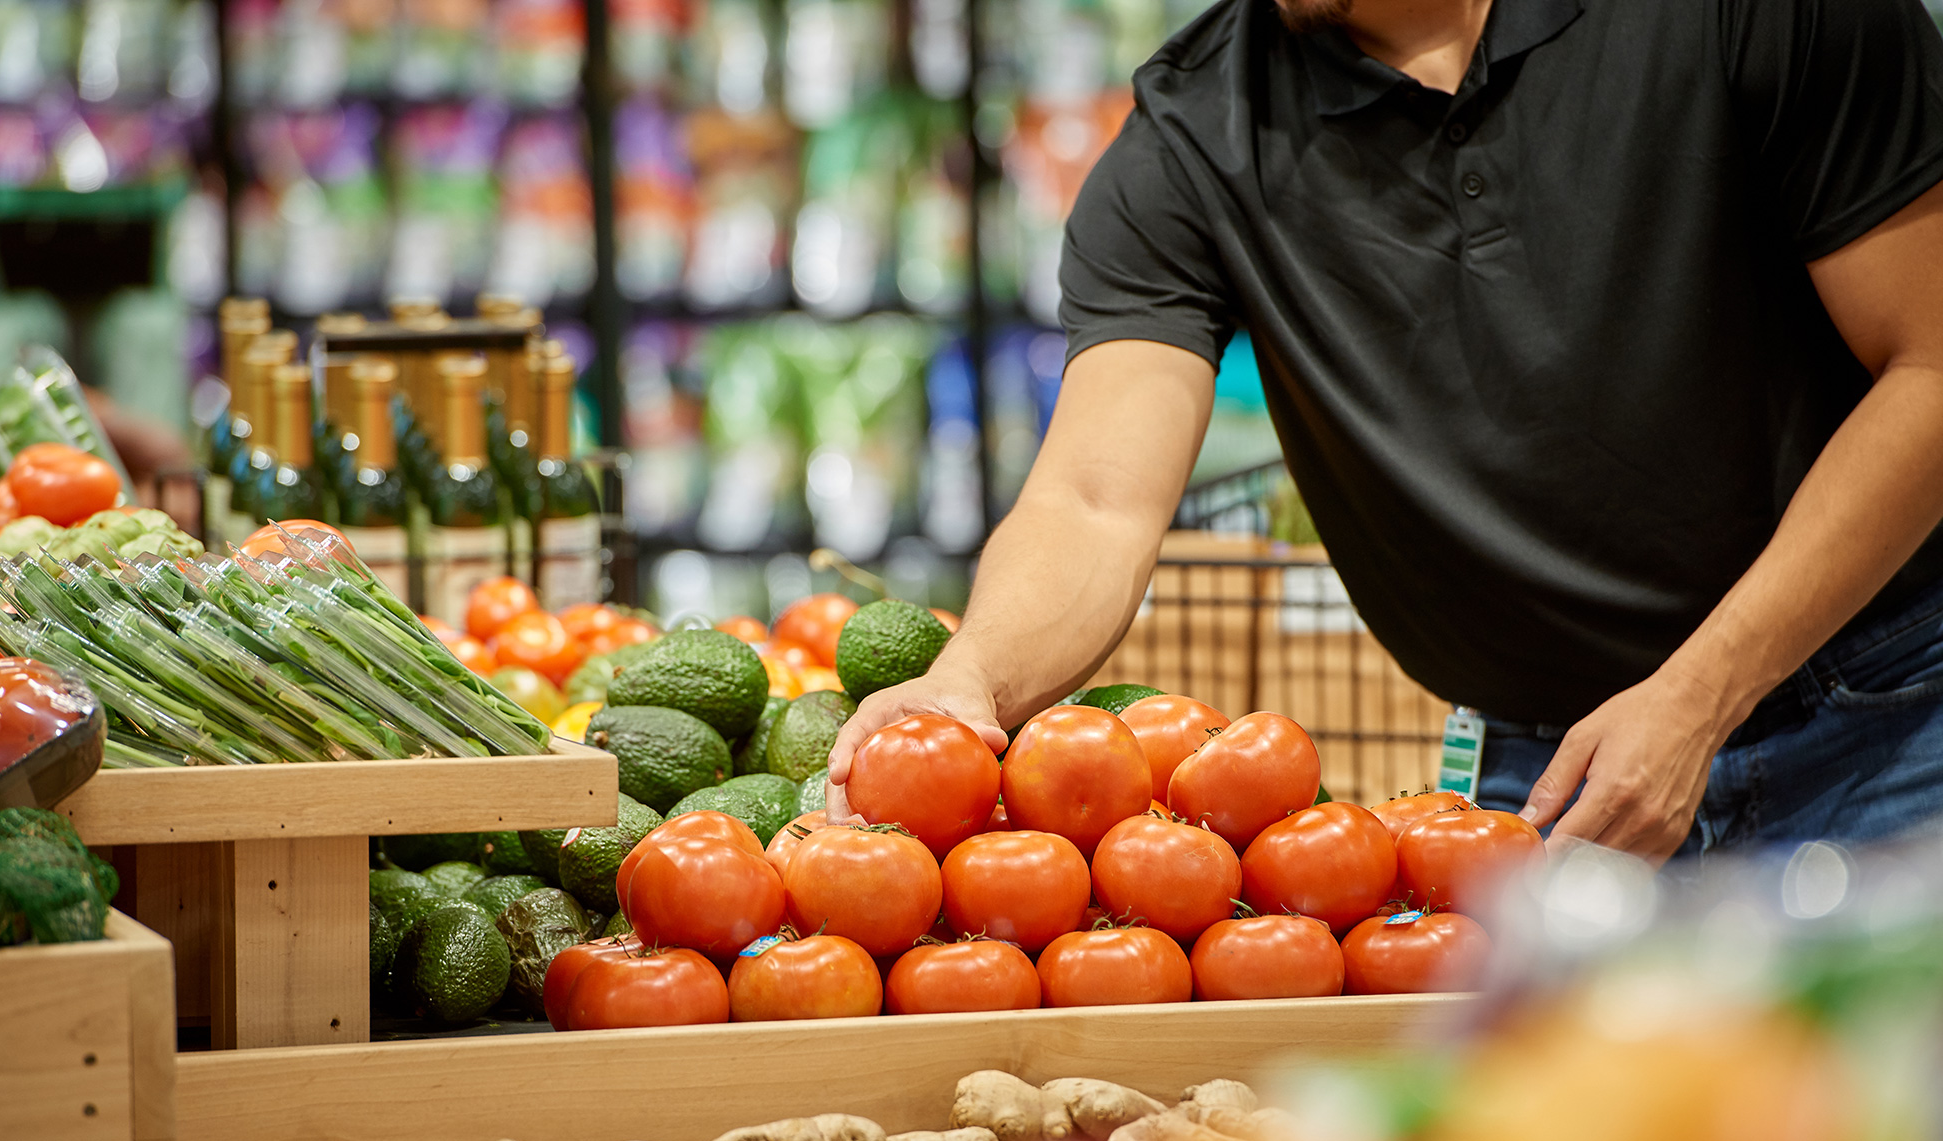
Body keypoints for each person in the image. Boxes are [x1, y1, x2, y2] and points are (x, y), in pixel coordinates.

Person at [827, 0, 1943, 864]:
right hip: (1550, 773)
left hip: (1884, 713)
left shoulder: (1753, 15)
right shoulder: (1190, 140)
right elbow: (1091, 499)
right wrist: (968, 680)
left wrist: (1700, 695)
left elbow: (1928, 365)